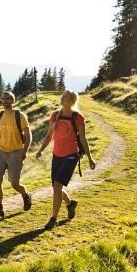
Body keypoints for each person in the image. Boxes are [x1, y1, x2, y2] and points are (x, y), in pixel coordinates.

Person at [34, 89, 96, 231]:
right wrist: (41, 150)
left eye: (65, 97)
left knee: (57, 186)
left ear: (72, 101)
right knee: (57, 188)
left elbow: (83, 139)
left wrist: (90, 158)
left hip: (71, 155)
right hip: (57, 155)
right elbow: (49, 135)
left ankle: (54, 218)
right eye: (62, 96)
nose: (62, 98)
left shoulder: (77, 117)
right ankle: (70, 203)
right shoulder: (55, 115)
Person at [0, 90, 32, 220]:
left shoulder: (20, 115)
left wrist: (24, 151)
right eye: (3, 98)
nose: (5, 101)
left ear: (13, 101)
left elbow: (28, 134)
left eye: (7, 98)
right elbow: (0, 134)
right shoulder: (0, 116)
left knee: (14, 184)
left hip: (16, 153)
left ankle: (26, 195)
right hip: (1, 153)